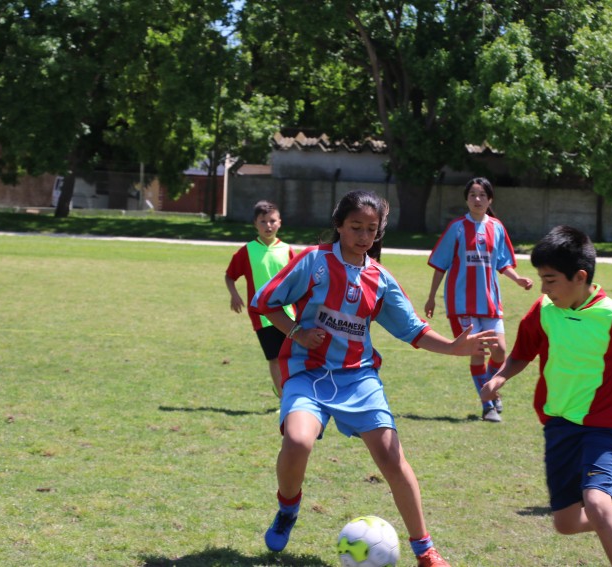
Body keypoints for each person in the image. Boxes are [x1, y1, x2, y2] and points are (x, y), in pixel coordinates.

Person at [251, 190, 497, 567]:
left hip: (358, 377)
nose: (364, 236)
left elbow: (413, 329)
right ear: (338, 225)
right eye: (355, 227)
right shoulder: (314, 262)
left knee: (392, 459)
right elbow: (266, 301)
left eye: (372, 229)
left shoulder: (379, 279)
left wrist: (454, 347)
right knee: (298, 442)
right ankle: (288, 507)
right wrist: (298, 332)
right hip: (308, 371)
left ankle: (425, 550)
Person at [480, 226, 612, 566]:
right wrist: (501, 376)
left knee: (597, 504)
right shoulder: (543, 310)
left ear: (579, 277)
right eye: (541, 279)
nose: (543, 287)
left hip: (602, 427)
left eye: (550, 280)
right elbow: (523, 352)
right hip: (558, 426)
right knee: (565, 524)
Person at [424, 177, 533, 423]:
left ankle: (492, 388)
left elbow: (503, 262)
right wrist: (431, 298)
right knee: (478, 352)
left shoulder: (496, 227)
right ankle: (488, 405)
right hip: (462, 302)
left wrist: (517, 279)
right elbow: (440, 264)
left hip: (490, 301)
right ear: (466, 198)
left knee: (500, 350)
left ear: (490, 199)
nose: (477, 199)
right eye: (473, 194)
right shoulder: (457, 228)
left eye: (482, 195)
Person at [225, 200, 295, 397]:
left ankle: (293, 392)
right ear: (255, 224)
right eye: (263, 221)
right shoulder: (247, 251)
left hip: (288, 312)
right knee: (273, 358)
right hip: (261, 315)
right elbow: (230, 275)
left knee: (290, 356)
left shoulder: (288, 250)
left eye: (272, 221)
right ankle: (282, 396)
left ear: (280, 222)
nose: (268, 225)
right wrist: (235, 295)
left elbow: (299, 280)